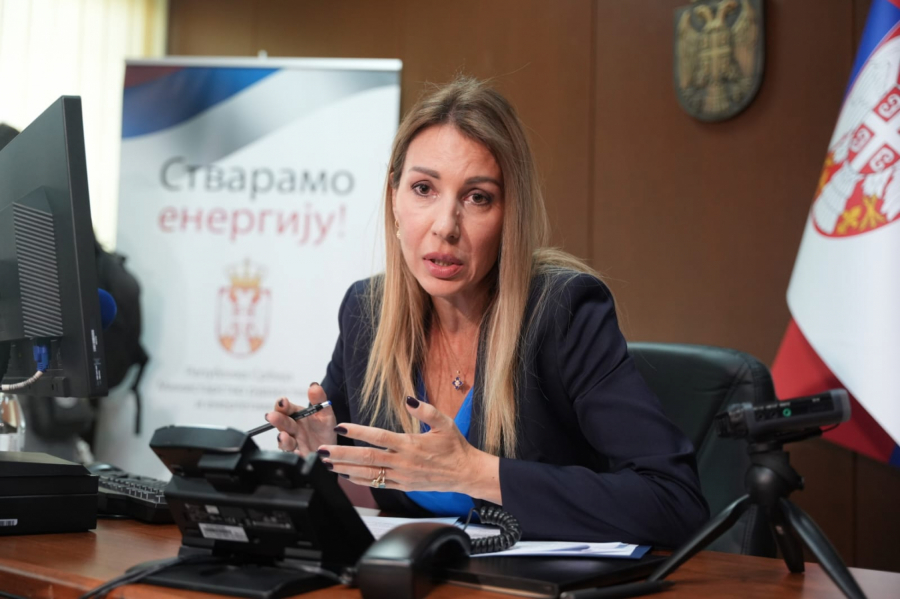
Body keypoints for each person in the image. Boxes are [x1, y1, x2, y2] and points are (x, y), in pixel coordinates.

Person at [266, 77, 709, 546]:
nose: (445, 226)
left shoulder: (563, 313)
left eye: (477, 197)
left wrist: (475, 472)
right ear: (394, 198)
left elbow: (675, 502)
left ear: (509, 214)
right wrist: (326, 454)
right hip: (424, 574)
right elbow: (372, 482)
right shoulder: (367, 314)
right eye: (423, 188)